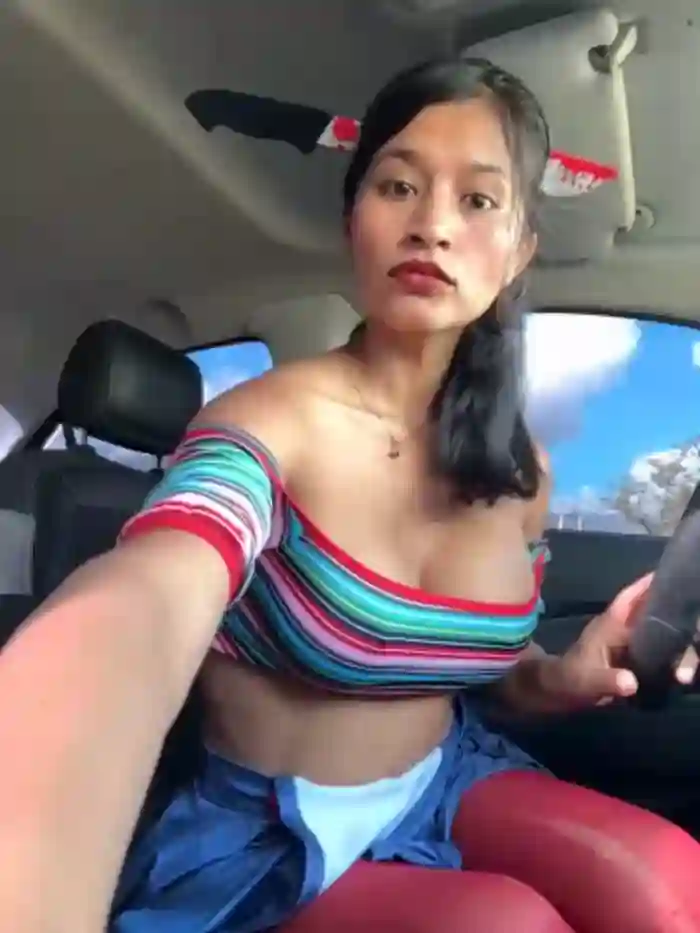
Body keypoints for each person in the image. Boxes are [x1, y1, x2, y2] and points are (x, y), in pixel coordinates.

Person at [0, 56, 697, 933]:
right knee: (504, 923)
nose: (432, 225)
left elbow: (486, 674)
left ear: (520, 249)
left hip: (445, 778)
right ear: (353, 218)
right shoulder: (267, 423)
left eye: (479, 200)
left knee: (673, 878)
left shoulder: (518, 469)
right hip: (266, 833)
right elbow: (148, 594)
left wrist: (563, 674)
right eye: (398, 185)